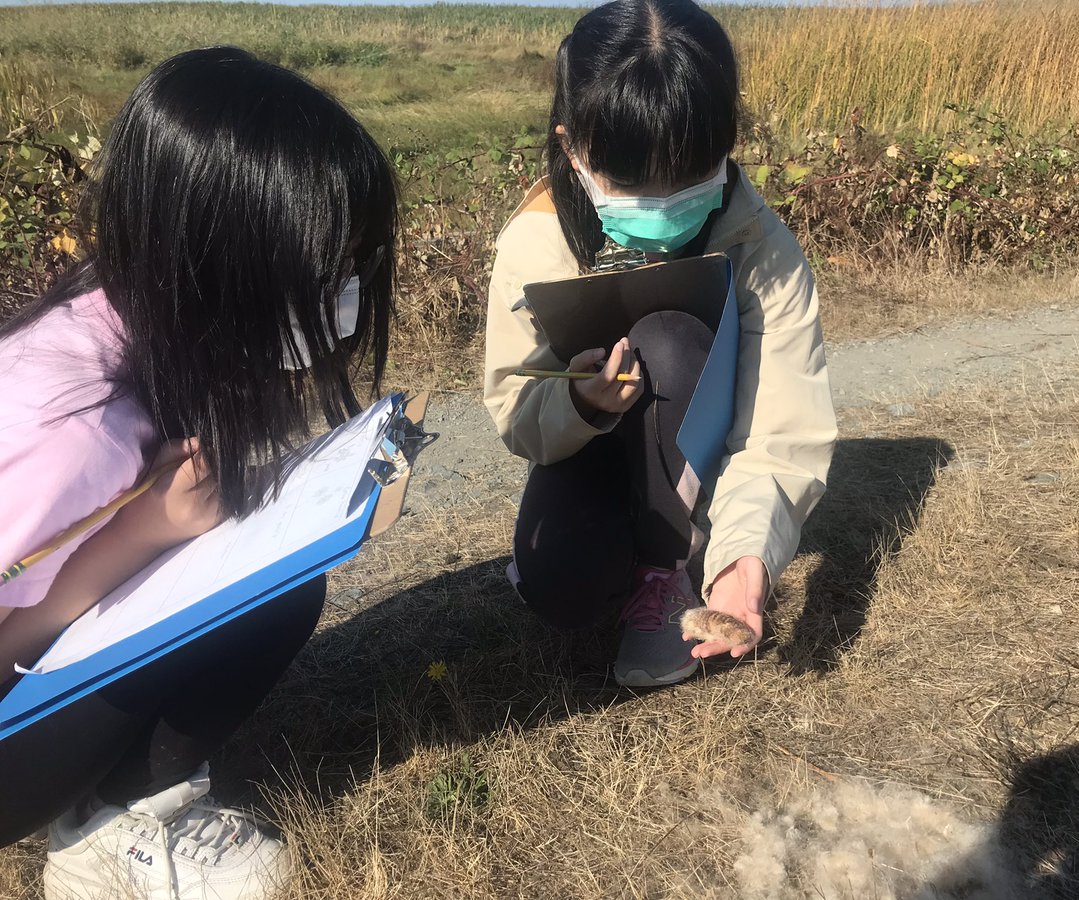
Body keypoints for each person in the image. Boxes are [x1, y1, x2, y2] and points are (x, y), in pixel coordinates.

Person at [0, 47, 398, 899]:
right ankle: (104, 835)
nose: (348, 295)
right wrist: (146, 534)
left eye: (356, 268)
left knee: (282, 578)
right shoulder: (70, 430)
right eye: (325, 275)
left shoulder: (146, 319)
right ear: (215, 259)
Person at [484, 0, 837, 687]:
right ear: (571, 145)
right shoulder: (535, 239)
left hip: (695, 452)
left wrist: (744, 559)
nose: (663, 203)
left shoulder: (759, 244)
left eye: (688, 175)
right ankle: (599, 544)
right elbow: (514, 407)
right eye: (632, 182)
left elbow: (783, 427)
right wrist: (580, 405)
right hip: (589, 451)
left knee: (671, 342)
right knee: (563, 590)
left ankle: (669, 567)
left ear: (726, 143)